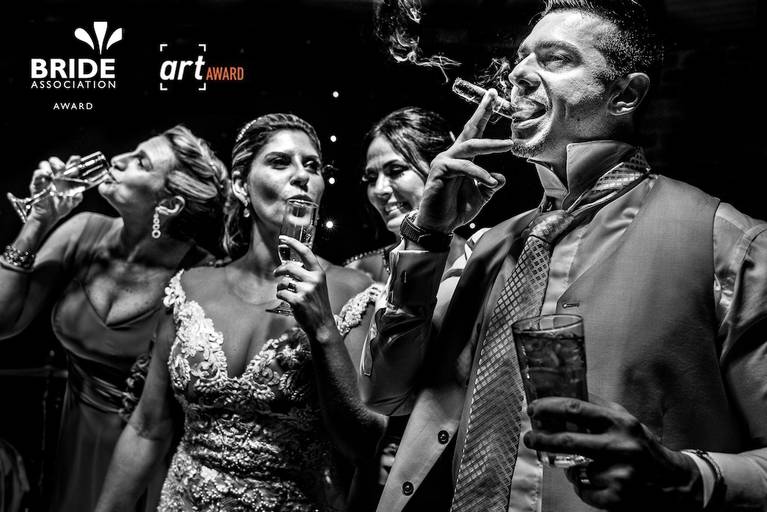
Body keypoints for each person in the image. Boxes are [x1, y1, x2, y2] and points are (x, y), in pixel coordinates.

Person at [360, 1, 767, 511]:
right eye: (521, 59)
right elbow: (385, 393)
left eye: (555, 58)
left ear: (625, 94)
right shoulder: (488, 246)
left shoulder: (726, 242)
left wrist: (686, 476)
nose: (518, 75)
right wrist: (428, 236)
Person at [95, 113, 385, 511]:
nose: (302, 175)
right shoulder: (190, 287)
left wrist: (323, 329)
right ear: (240, 185)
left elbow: (362, 445)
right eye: (280, 162)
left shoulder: (357, 293)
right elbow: (147, 429)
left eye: (313, 166)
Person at [0, 125, 229, 511]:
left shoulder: (200, 278)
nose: (117, 160)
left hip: (149, 458)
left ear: (169, 204)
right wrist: (38, 220)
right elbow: (5, 322)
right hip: (72, 442)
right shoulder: (83, 232)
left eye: (141, 162)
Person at [345, 107, 464, 282]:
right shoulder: (356, 274)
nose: (379, 189)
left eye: (396, 170)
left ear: (442, 169)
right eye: (371, 178)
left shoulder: (483, 257)